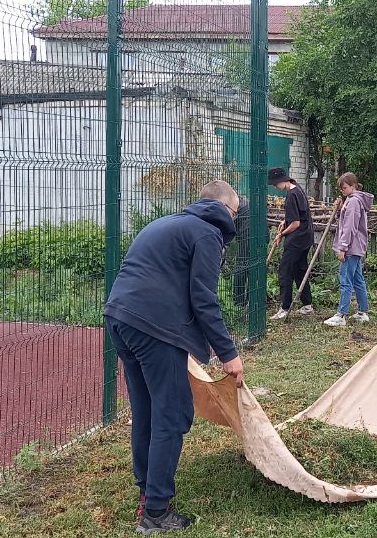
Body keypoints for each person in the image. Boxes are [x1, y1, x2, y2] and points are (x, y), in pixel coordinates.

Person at [103, 180, 246, 533]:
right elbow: (204, 299)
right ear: (226, 210)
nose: (235, 220)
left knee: (147, 409)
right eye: (236, 212)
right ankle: (155, 512)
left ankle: (146, 489)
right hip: (153, 327)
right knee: (173, 413)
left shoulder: (168, 223)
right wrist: (228, 355)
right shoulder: (207, 234)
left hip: (119, 318)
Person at [325, 172, 374, 326]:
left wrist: (343, 248)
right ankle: (362, 312)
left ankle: (341, 315)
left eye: (345, 187)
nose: (343, 190)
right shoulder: (352, 200)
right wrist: (340, 209)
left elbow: (350, 227)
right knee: (358, 279)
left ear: (353, 185)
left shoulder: (353, 202)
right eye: (341, 189)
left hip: (351, 247)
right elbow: (344, 220)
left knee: (346, 279)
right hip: (356, 246)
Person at [268, 167, 315, 319]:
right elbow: (298, 215)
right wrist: (284, 221)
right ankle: (307, 305)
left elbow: (295, 223)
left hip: (296, 240)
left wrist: (281, 233)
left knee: (285, 271)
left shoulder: (291, 196)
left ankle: (284, 308)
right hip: (306, 238)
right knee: (300, 270)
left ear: (283, 180)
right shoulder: (298, 189)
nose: (275, 187)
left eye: (275, 184)